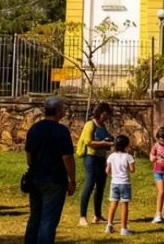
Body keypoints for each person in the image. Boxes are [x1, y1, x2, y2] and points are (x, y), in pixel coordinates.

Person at [25, 96, 76, 244]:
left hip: (36, 178)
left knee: (35, 216)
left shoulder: (34, 128)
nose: (65, 111)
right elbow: (67, 157)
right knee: (49, 220)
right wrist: (72, 180)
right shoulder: (61, 131)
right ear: (58, 110)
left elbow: (28, 155)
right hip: (55, 180)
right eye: (63, 108)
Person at [77, 102, 114, 226]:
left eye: (107, 115)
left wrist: (109, 141)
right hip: (90, 158)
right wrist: (103, 143)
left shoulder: (103, 126)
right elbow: (88, 142)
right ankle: (82, 216)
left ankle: (97, 215)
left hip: (101, 158)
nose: (106, 117)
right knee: (90, 183)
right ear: (99, 113)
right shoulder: (90, 124)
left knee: (101, 185)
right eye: (104, 114)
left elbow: (106, 139)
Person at [105, 135, 136, 236]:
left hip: (114, 183)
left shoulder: (111, 156)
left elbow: (107, 171)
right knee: (124, 206)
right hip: (125, 184)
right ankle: (124, 229)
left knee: (113, 205)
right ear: (126, 145)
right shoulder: (128, 156)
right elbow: (132, 170)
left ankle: (109, 226)